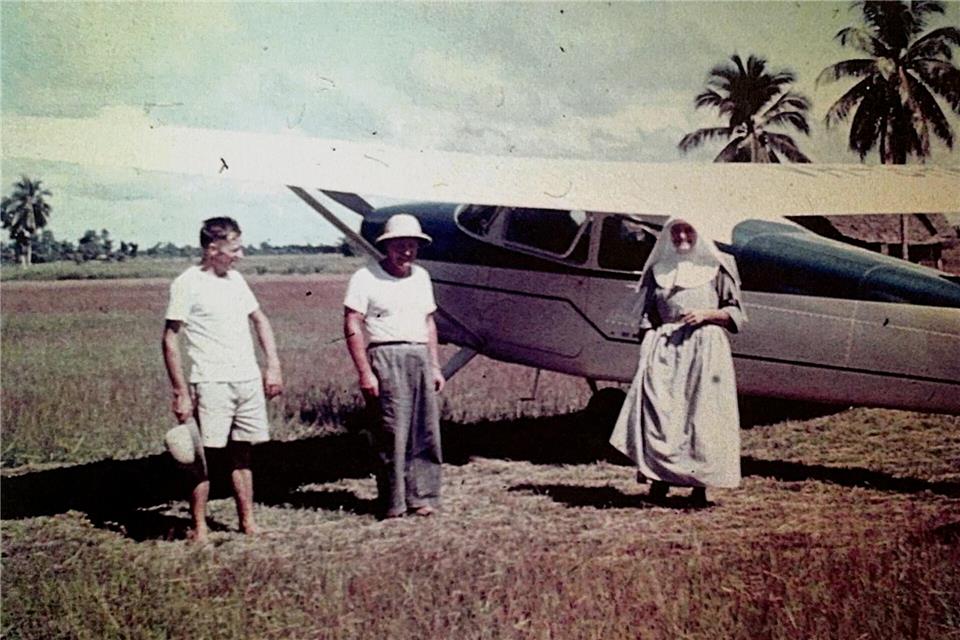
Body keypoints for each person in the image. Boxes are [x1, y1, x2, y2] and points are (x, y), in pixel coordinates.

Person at [162, 216, 283, 542]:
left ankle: (248, 524)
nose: (240, 255)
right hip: (211, 382)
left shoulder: (236, 281)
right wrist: (181, 392)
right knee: (202, 457)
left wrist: (272, 366)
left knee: (242, 454)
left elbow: (261, 321)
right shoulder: (186, 283)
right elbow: (170, 338)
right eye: (235, 249)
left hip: (246, 380)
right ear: (213, 248)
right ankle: (199, 528)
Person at [609, 217, 745, 507]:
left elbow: (735, 314)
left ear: (699, 233)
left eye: (689, 230)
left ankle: (698, 487)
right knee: (662, 413)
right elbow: (648, 316)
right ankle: (659, 481)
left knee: (699, 415)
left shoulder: (717, 268)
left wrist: (707, 315)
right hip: (665, 348)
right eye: (676, 231)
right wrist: (647, 344)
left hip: (704, 347)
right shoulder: (659, 270)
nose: (682, 236)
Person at [343, 213, 445, 519]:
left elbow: (428, 322)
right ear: (387, 247)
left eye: (412, 245)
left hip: (419, 356)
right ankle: (394, 502)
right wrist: (365, 372)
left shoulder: (421, 277)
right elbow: (351, 322)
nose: (406, 252)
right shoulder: (366, 278)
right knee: (392, 433)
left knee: (425, 431)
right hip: (385, 357)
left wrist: (435, 365)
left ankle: (423, 497)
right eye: (400, 245)